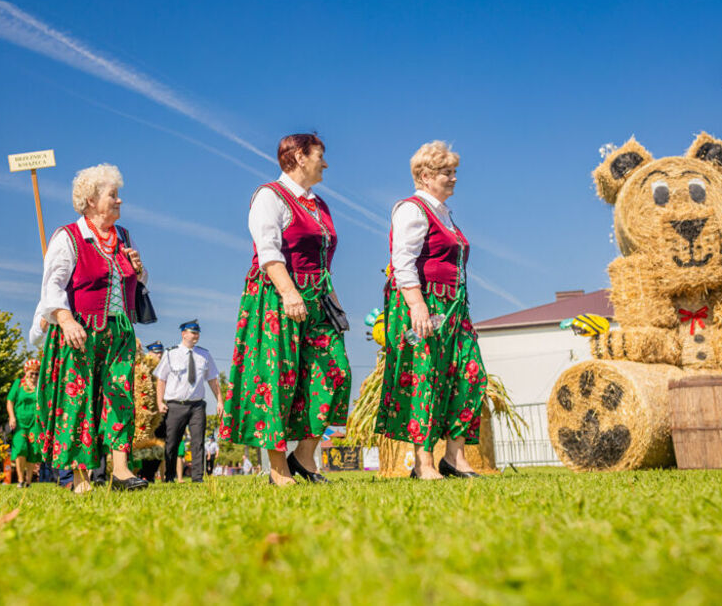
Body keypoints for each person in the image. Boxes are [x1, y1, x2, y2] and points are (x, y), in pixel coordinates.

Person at [222, 133, 353, 486]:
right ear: (298, 156)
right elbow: (268, 252)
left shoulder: (319, 204)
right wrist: (289, 292)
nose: (325, 163)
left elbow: (324, 261)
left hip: (318, 296)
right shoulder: (270, 196)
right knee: (275, 378)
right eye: (320, 156)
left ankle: (303, 457)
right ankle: (278, 470)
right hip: (276, 295)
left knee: (337, 372)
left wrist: (336, 307)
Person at [32, 163, 149, 493]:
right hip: (80, 331)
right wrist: (66, 320)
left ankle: (121, 471)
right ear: (91, 200)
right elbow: (52, 286)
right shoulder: (68, 236)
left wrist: (139, 271)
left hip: (120, 331)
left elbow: (135, 284)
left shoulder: (122, 236)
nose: (119, 201)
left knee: (121, 396)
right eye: (113, 195)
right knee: (80, 400)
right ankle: (81, 477)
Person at [375, 141, 487, 479]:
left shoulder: (444, 213)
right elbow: (402, 261)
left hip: (453, 306)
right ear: (425, 176)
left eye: (454, 172)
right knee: (424, 377)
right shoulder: (412, 209)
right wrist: (416, 305)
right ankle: (423, 462)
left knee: (470, 374)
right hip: (426, 302)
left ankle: (454, 457)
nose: (453, 178)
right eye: (446, 173)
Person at [155, 319, 223, 483]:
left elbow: (213, 380)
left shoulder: (204, 354)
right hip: (175, 405)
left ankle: (198, 477)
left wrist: (220, 401)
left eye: (198, 332)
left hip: (197, 405)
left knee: (198, 441)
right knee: (172, 442)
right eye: (193, 332)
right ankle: (169, 476)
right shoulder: (171, 353)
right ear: (183, 334)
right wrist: (160, 402)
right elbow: (161, 379)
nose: (196, 335)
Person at [7, 359, 42, 488]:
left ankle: (28, 481)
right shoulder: (18, 384)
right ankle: (20, 480)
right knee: (20, 448)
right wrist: (12, 417)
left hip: (35, 422)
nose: (34, 376)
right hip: (20, 422)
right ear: (26, 372)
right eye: (31, 373)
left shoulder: (40, 387)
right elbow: (10, 401)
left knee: (33, 450)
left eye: (36, 374)